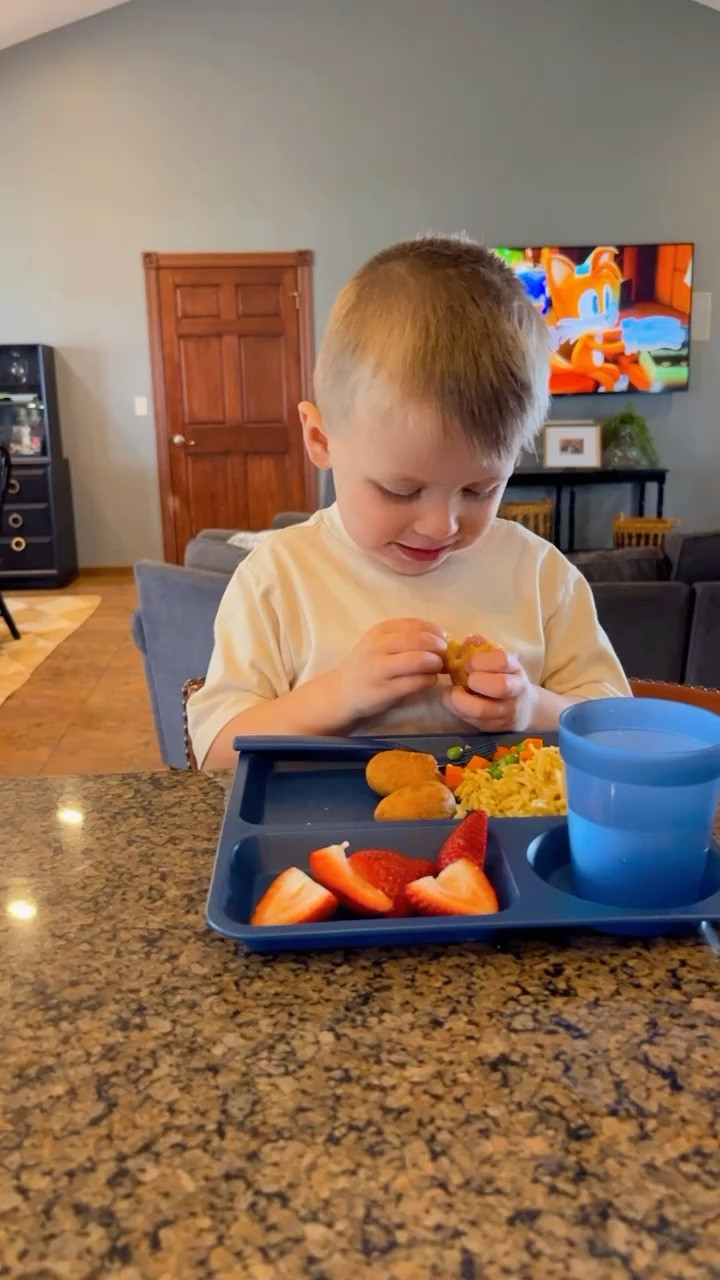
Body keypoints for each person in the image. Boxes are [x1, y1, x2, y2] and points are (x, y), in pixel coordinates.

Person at [189, 235, 629, 770]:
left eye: (480, 489)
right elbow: (214, 752)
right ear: (321, 439)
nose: (440, 525)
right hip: (320, 844)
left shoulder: (539, 576)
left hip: (507, 842)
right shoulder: (278, 578)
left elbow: (614, 728)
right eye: (400, 490)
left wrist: (531, 706)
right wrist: (338, 695)